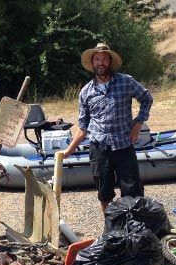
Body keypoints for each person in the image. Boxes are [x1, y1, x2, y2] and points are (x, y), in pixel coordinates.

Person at [62, 42, 153, 214]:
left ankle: (134, 228)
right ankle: (111, 228)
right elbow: (82, 127)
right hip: (99, 148)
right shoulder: (86, 92)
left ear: (110, 62)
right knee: (104, 193)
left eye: (104, 59)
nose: (101, 62)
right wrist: (68, 151)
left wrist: (138, 124)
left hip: (123, 145)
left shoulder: (126, 82)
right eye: (97, 59)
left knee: (133, 191)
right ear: (92, 63)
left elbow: (146, 98)